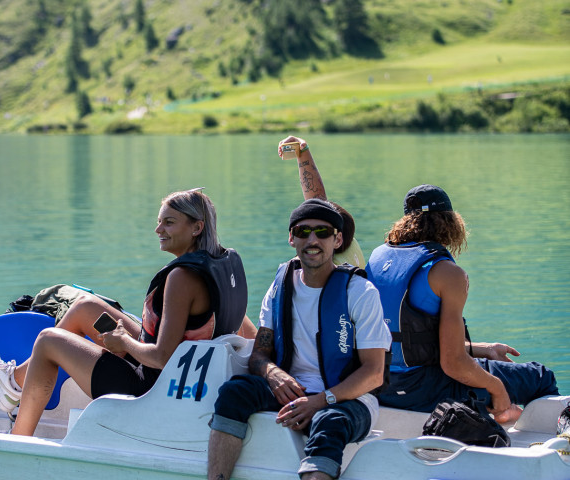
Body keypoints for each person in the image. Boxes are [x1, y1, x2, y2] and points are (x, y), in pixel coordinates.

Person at [0, 189, 252, 436]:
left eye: (169, 222)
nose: (158, 230)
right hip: (187, 377)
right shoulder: (224, 263)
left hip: (151, 389)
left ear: (196, 228)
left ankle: (19, 441)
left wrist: (123, 343)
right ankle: (13, 384)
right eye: (159, 221)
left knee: (48, 340)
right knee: (86, 308)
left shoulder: (183, 278)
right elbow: (241, 327)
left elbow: (161, 357)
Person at [207, 199, 391, 480]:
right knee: (235, 392)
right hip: (291, 393)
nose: (313, 240)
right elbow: (259, 355)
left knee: (329, 423)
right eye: (303, 232)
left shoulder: (360, 292)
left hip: (347, 398)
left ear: (337, 239)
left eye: (323, 232)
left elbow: (374, 373)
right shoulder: (280, 286)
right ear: (291, 238)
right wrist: (273, 374)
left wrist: (320, 401)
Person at [366, 184, 559, 422]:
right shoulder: (448, 273)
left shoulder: (377, 258)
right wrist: (497, 388)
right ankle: (556, 443)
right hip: (421, 390)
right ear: (450, 222)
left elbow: (408, 337)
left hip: (379, 385)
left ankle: (502, 413)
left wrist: (483, 349)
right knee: (540, 377)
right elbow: (453, 364)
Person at [278, 136, 365, 268]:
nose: (311, 238)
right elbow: (317, 203)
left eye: (302, 230)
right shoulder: (349, 244)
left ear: (337, 240)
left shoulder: (315, 267)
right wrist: (303, 151)